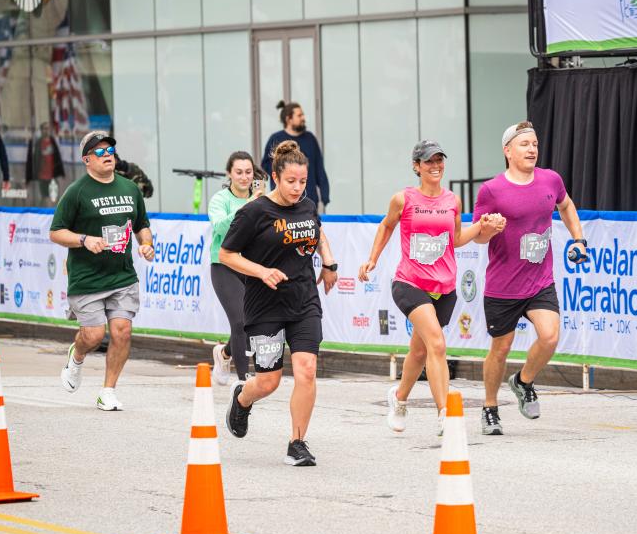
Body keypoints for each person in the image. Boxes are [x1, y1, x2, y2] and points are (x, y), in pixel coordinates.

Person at [358, 140, 504, 435]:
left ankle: (399, 399)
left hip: (445, 288)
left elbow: (458, 238)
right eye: (428, 161)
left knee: (420, 352)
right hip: (410, 283)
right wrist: (372, 259)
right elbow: (387, 226)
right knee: (437, 344)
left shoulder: (453, 201)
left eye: (439, 160)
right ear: (417, 167)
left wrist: (486, 226)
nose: (436, 166)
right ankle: (445, 416)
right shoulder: (403, 199)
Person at [221, 141, 338, 467]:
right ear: (275, 176)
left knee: (307, 370)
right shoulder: (254, 212)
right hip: (265, 305)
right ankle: (243, 399)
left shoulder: (307, 205)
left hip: (303, 301)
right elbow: (226, 254)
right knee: (269, 381)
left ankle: (297, 443)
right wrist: (261, 271)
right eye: (291, 181)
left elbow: (317, 232)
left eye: (302, 181)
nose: (298, 188)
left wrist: (329, 263)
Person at [472, 121, 588, 435]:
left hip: (539, 281)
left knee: (550, 336)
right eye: (524, 144)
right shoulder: (492, 190)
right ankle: (490, 407)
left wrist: (579, 239)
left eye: (535, 144)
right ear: (507, 151)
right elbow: (477, 237)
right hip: (503, 285)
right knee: (501, 348)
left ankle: (523, 381)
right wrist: (488, 229)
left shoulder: (551, 180)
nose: (532, 149)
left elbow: (566, 205)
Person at [49, 131, 155, 411]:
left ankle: (108, 390)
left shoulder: (130, 188)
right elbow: (56, 232)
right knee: (94, 336)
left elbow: (141, 224)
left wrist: (146, 244)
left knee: (122, 331)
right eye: (99, 152)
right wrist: (84, 239)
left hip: (122, 276)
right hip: (87, 278)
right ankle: (77, 355)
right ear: (86, 160)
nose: (107, 155)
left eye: (109, 150)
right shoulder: (77, 192)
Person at [208, 151, 265, 385]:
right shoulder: (220, 199)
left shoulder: (262, 198)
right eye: (239, 172)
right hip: (224, 264)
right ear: (229, 173)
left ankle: (224, 354)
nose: (244, 177)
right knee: (240, 321)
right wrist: (248, 206)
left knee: (252, 321)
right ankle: (243, 379)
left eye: (248, 172)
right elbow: (220, 227)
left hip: (251, 266)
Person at [262, 101, 330, 210]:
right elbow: (267, 166)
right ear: (289, 119)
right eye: (299, 115)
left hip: (309, 199)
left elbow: (319, 168)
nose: (303, 118)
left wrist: (325, 194)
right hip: (282, 202)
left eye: (302, 115)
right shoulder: (276, 139)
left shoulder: (310, 139)